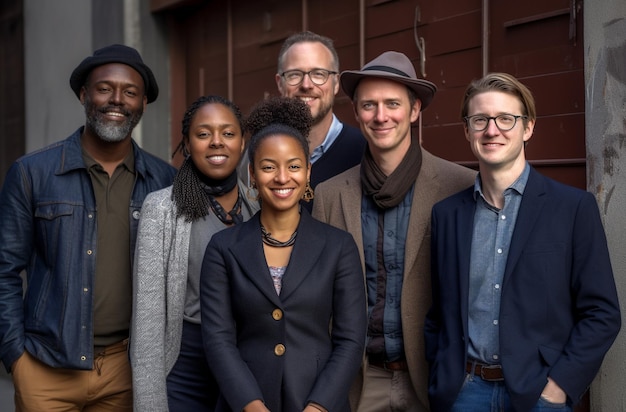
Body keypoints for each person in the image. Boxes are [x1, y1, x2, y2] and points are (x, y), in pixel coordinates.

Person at [424, 72, 621, 412]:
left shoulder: (573, 209)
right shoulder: (447, 215)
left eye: (506, 119)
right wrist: (444, 380)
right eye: (480, 119)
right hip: (464, 394)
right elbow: (439, 314)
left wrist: (559, 387)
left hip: (539, 396)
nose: (492, 130)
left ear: (528, 128)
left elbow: (602, 313)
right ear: (467, 130)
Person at [0, 44, 176, 411]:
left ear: (143, 104)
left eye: (130, 92)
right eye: (104, 88)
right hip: (46, 367)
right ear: (84, 94)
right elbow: (4, 270)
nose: (116, 100)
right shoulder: (32, 173)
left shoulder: (165, 181)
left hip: (127, 370)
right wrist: (15, 356)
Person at [312, 51, 476, 412]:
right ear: (356, 113)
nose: (380, 115)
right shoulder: (328, 195)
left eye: (392, 103)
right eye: (369, 105)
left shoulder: (460, 186)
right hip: (359, 381)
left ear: (415, 110)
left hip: (433, 380)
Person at [201, 96, 366, 412]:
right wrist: (252, 406)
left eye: (293, 166)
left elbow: (350, 342)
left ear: (307, 172)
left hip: (318, 401)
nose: (281, 177)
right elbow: (219, 342)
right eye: (268, 167)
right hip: (246, 402)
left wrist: (317, 407)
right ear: (252, 173)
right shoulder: (223, 249)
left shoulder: (339, 247)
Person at [130, 95, 259, 411]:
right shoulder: (162, 210)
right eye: (204, 134)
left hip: (248, 364)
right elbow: (147, 322)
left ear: (243, 143)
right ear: (187, 144)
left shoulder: (260, 208)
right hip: (186, 365)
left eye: (228, 133)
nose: (217, 142)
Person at [239, 31, 366, 210]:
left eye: (319, 74)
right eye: (294, 74)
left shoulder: (362, 150)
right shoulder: (257, 151)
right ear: (279, 83)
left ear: (336, 83)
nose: (306, 85)